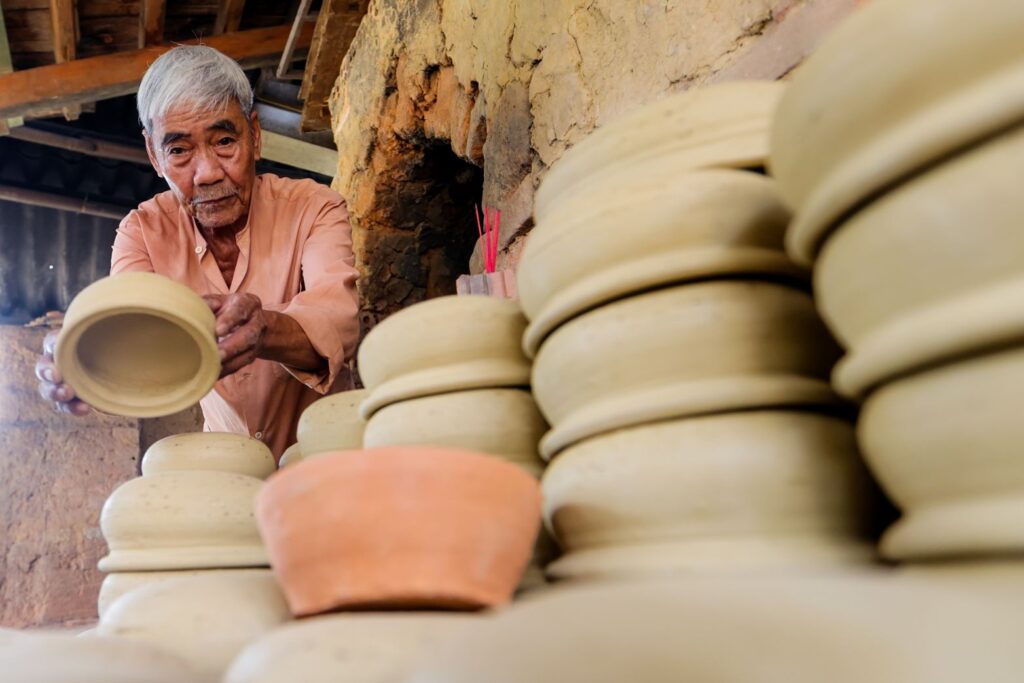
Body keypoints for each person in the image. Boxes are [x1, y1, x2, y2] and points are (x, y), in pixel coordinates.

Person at [35, 45, 360, 460]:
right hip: (227, 466)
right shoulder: (142, 233)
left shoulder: (315, 206)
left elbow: (338, 321)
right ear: (154, 155)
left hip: (329, 455)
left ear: (255, 135)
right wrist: (82, 365)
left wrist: (264, 328)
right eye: (179, 150)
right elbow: (130, 340)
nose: (207, 173)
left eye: (225, 141)